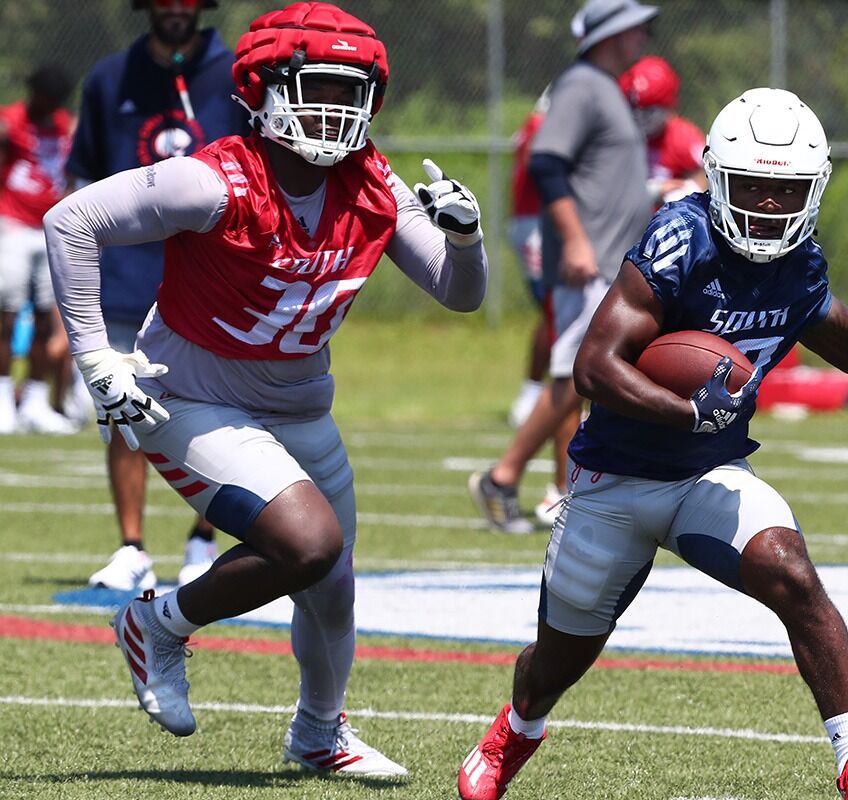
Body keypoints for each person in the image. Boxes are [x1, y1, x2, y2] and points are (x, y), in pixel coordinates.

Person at [456, 87, 848, 800]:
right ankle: (516, 729)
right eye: (752, 186)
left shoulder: (800, 263)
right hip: (615, 481)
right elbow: (593, 367)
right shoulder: (681, 237)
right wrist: (683, 409)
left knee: (793, 573)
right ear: (717, 179)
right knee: (556, 661)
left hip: (707, 475)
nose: (765, 205)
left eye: (784, 190)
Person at [45, 0, 487, 775]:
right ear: (263, 89)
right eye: (316, 87)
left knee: (333, 582)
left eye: (350, 94)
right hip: (191, 395)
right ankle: (158, 625)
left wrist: (467, 238)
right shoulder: (214, 181)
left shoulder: (373, 182)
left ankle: (319, 734)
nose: (333, 109)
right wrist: (94, 357)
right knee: (309, 544)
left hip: (300, 405)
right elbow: (72, 220)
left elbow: (459, 294)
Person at [69, 0, 250, 592]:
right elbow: (83, 180)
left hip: (215, 273)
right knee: (119, 408)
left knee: (218, 409)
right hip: (126, 271)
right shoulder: (108, 78)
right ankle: (131, 548)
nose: (176, 8)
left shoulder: (238, 74)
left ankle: (203, 539)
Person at [468, 0, 656, 534]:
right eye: (636, 27)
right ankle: (502, 478)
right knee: (578, 374)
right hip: (588, 260)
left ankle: (569, 489)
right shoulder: (584, 84)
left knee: (582, 375)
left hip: (606, 259)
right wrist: (574, 240)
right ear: (613, 34)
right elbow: (547, 162)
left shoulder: (604, 87)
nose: (643, 36)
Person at [0, 65, 78, 436]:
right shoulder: (11, 120)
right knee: (7, 315)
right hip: (12, 224)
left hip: (49, 226)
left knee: (48, 320)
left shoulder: (63, 124)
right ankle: (2, 400)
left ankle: (33, 401)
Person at [505, 93, 553, 435]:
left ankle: (540, 393)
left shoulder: (537, 123)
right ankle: (534, 393)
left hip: (536, 223)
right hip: (537, 225)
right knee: (555, 310)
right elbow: (544, 167)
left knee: (558, 312)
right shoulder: (541, 126)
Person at [618, 54, 707, 208]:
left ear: (667, 106)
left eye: (649, 111)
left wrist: (687, 191)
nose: (641, 118)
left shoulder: (683, 137)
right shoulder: (620, 136)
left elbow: (705, 175)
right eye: (635, 110)